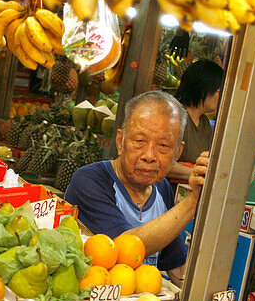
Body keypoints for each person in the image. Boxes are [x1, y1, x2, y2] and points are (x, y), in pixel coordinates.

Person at [64, 91, 208, 284]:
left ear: (177, 153)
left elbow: (177, 267)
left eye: (163, 145)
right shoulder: (90, 181)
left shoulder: (162, 188)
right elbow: (127, 247)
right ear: (120, 142)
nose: (149, 155)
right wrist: (194, 201)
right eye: (139, 141)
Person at [171, 59, 225, 183]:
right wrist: (198, 173)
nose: (221, 96)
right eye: (219, 91)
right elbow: (164, 164)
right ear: (203, 89)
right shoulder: (175, 117)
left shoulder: (205, 123)